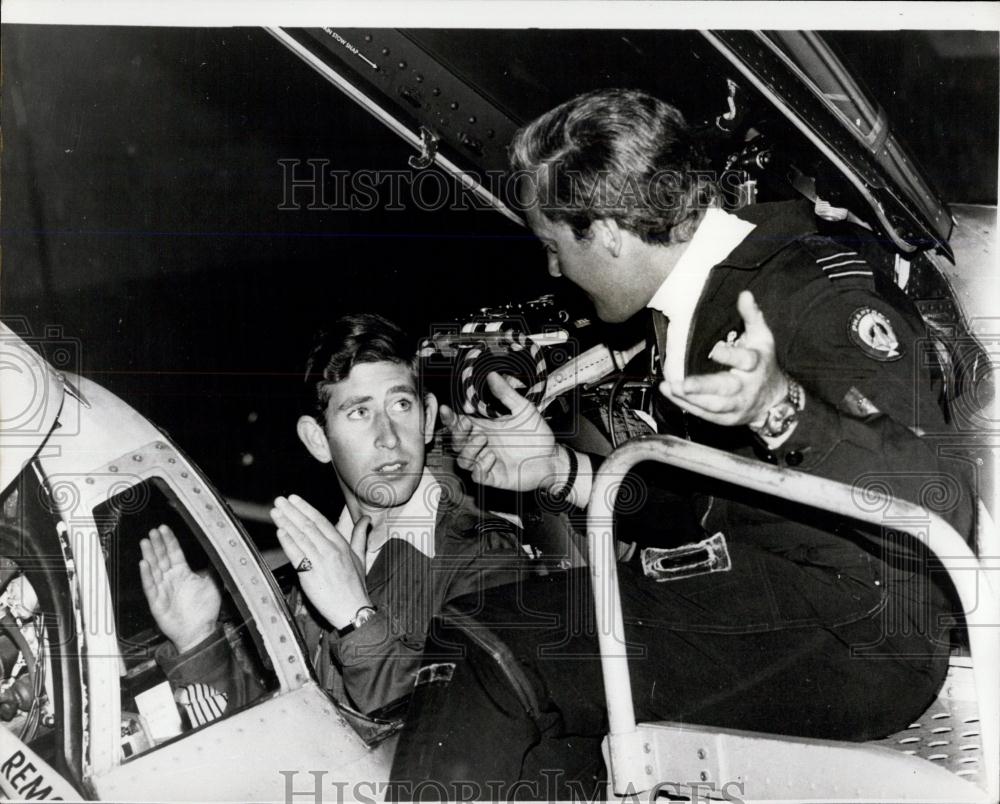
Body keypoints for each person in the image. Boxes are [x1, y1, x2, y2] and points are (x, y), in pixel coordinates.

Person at [388, 89, 976, 798]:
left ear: (606, 231)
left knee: (483, 645)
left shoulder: (804, 291)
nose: (553, 272)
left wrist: (780, 407)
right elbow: (706, 507)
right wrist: (558, 469)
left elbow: (939, 500)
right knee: (554, 735)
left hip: (862, 634)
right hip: (782, 597)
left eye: (554, 246)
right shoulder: (699, 306)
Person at [139, 313, 530, 723]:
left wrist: (355, 615)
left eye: (401, 404)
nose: (389, 436)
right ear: (318, 440)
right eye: (359, 413)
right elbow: (282, 735)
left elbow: (463, 732)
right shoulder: (315, 570)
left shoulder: (486, 558)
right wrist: (199, 640)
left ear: (427, 419)